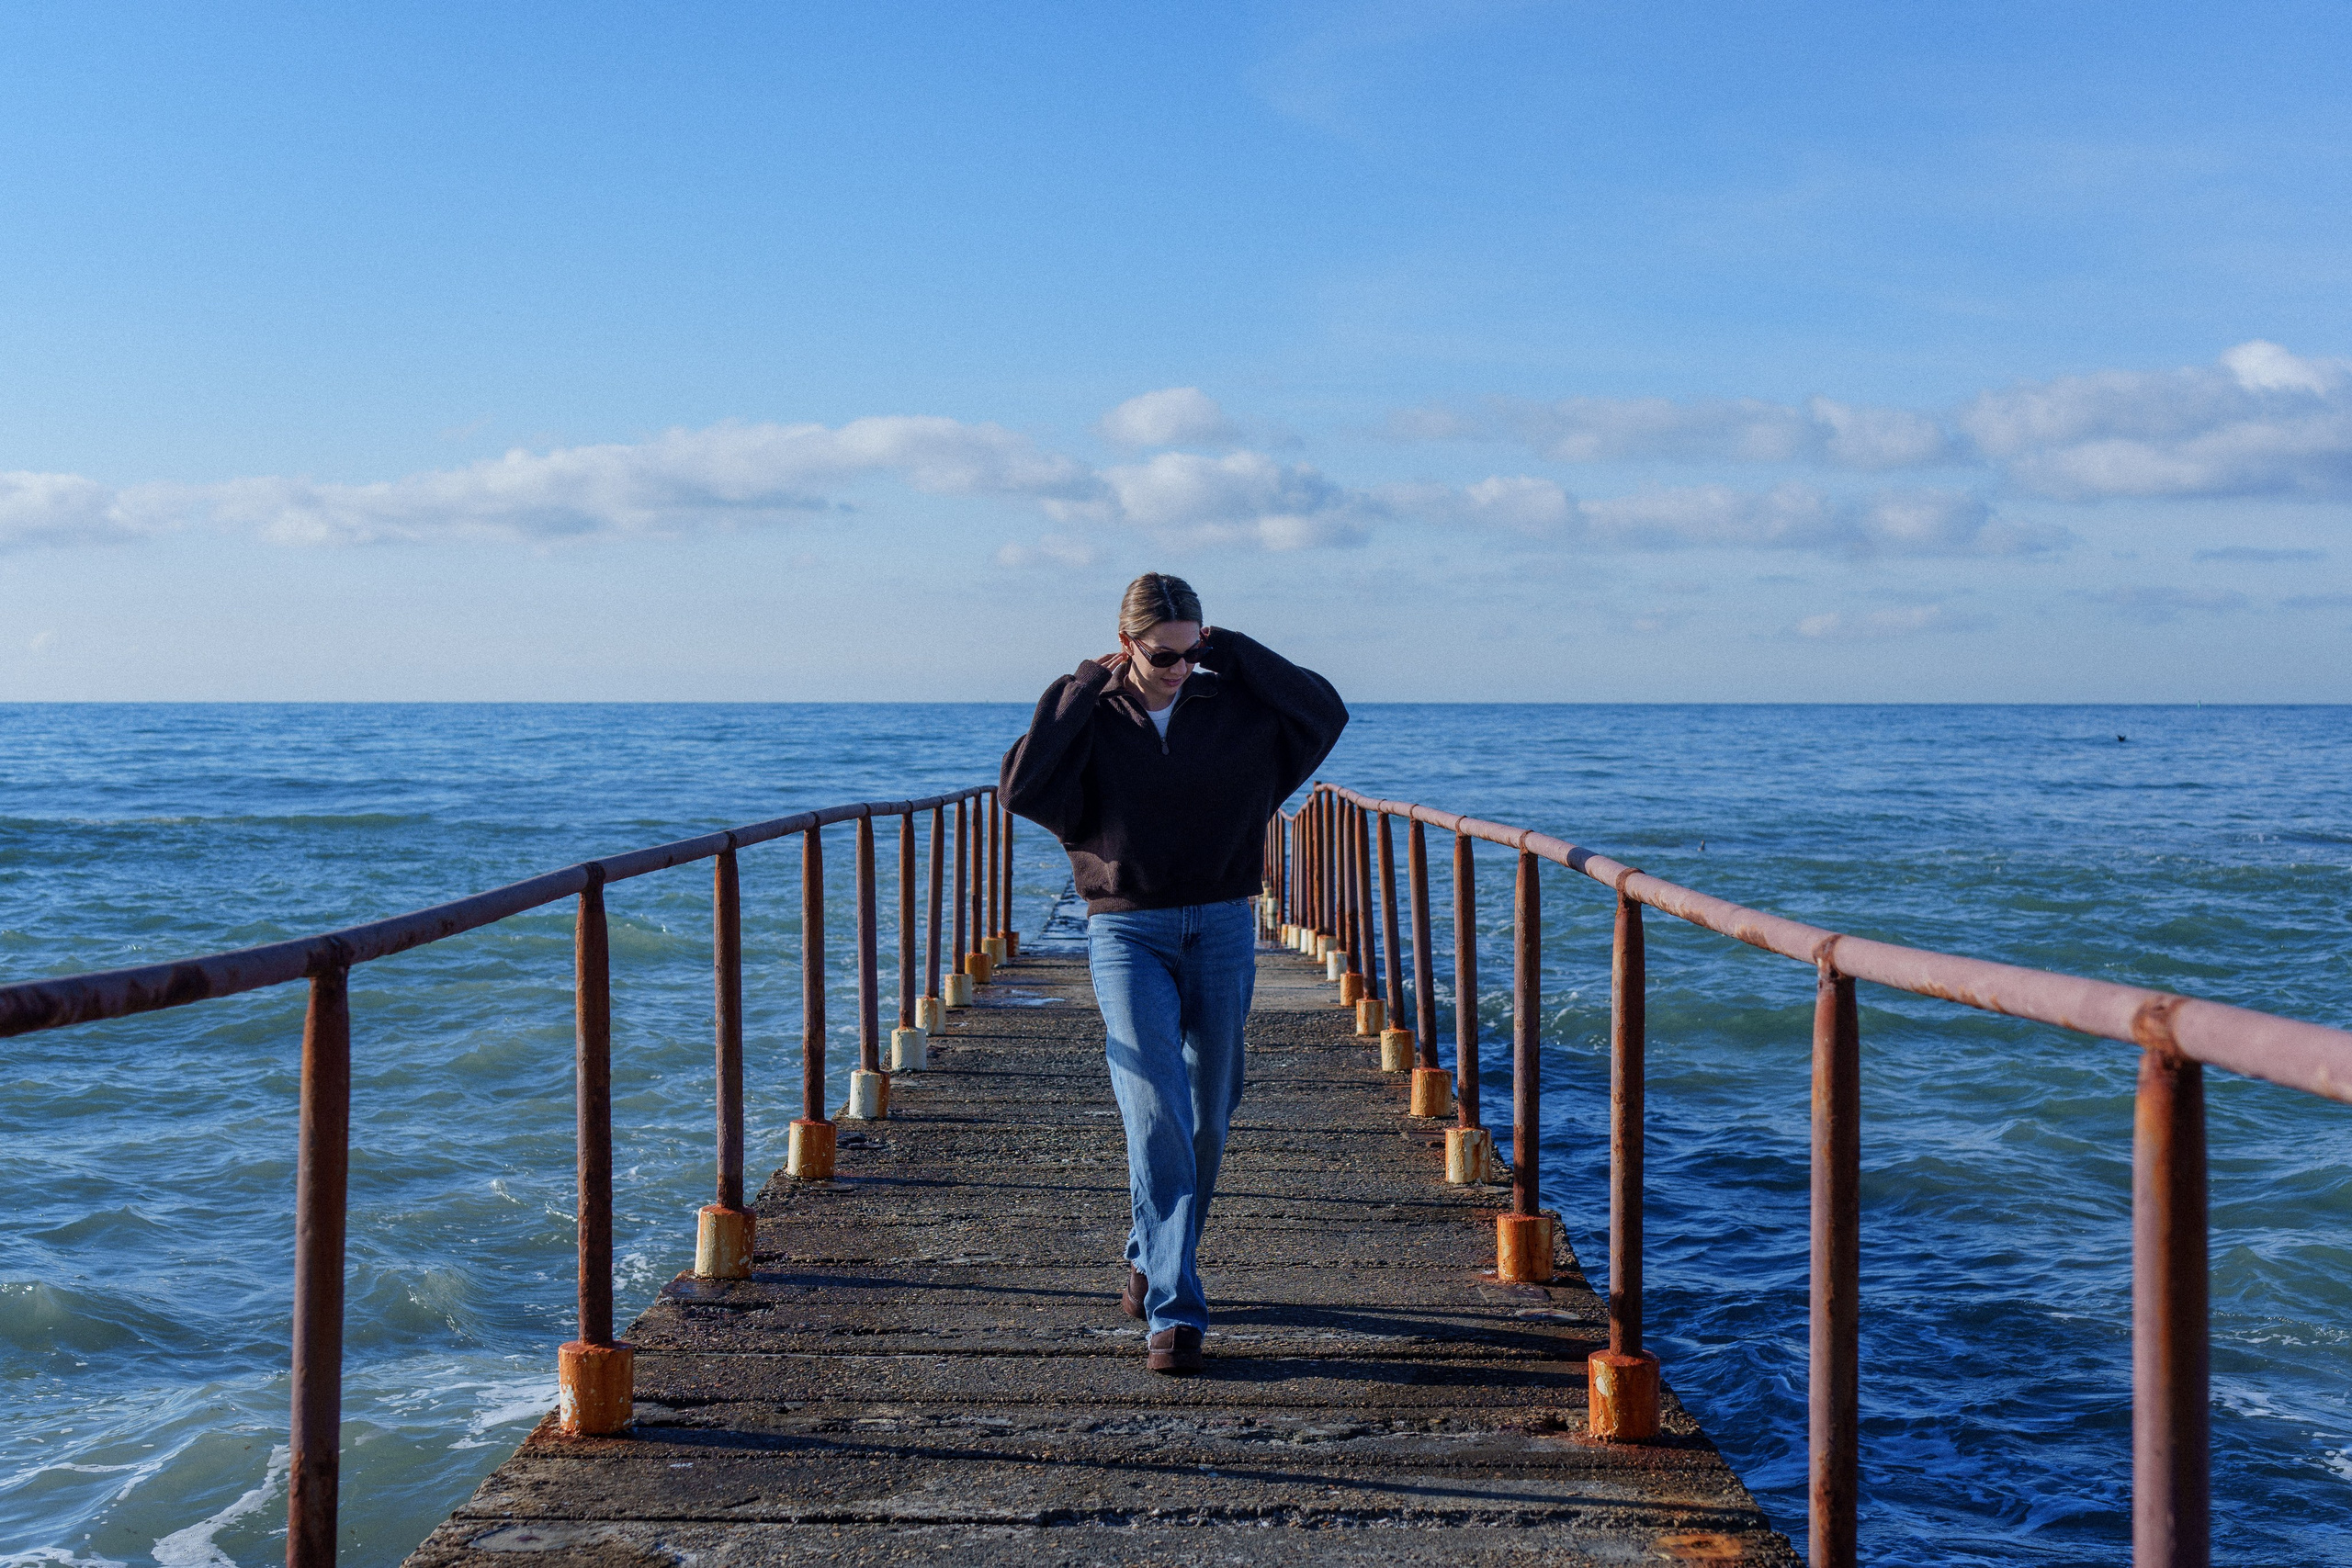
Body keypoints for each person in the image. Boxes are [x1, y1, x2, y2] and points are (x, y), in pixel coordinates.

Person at [1001, 572, 1347, 1374]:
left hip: (1224, 922)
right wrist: (1082, 684)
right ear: (1126, 645)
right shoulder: (1093, 711)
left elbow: (1323, 710)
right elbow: (1022, 786)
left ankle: (1149, 1249)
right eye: (1165, 656)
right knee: (1155, 1104)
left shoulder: (1232, 703)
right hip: (1127, 930)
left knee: (1209, 1112)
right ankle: (1174, 1306)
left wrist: (1230, 649)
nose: (1180, 669)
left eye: (1194, 652)